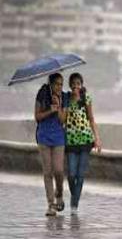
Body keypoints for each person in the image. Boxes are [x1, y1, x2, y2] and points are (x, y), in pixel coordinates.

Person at [65, 73, 102, 215]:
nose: (75, 86)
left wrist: (97, 138)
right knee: (71, 174)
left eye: (78, 83)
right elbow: (62, 118)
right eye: (73, 83)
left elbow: (92, 119)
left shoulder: (86, 98)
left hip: (86, 140)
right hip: (71, 141)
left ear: (81, 84)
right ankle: (75, 196)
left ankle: (74, 204)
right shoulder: (66, 99)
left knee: (80, 175)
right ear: (70, 85)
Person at [35, 73, 67, 216]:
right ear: (51, 84)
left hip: (59, 137)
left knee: (59, 170)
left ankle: (59, 193)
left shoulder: (64, 97)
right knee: (48, 172)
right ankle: (51, 204)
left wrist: (58, 107)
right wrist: (50, 110)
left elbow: (62, 120)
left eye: (61, 84)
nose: (60, 87)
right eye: (57, 84)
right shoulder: (42, 94)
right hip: (43, 137)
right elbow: (37, 117)